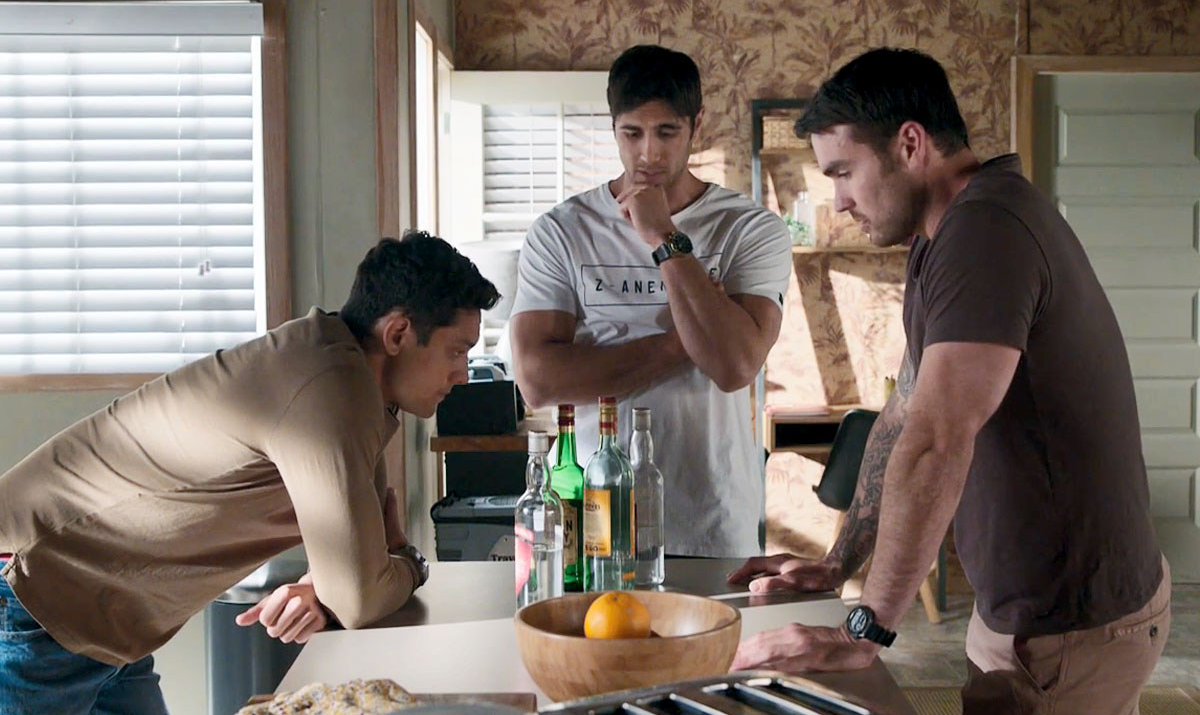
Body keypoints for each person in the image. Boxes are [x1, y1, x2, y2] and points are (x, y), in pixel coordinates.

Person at [729, 48, 1169, 715]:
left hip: (1068, 627)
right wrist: (840, 561)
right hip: (1034, 612)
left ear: (910, 144)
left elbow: (936, 441)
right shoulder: (941, 237)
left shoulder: (985, 230)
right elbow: (905, 412)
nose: (839, 200)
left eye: (844, 172)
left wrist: (862, 633)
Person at [0, 231, 499, 715]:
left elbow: (359, 560)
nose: (462, 374)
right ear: (397, 334)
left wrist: (332, 585)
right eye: (457, 351)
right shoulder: (329, 387)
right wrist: (412, 565)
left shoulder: (350, 382)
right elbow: (360, 593)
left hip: (103, 617)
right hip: (36, 589)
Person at [509, 44, 792, 557]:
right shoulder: (562, 231)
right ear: (613, 127)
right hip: (591, 511)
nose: (648, 154)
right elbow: (538, 380)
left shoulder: (750, 229)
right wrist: (689, 337)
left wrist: (664, 237)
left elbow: (734, 366)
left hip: (710, 515)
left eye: (667, 132)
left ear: (697, 124)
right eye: (632, 133)